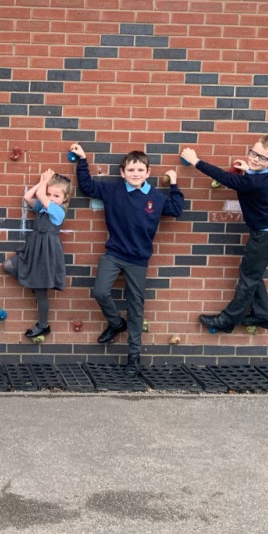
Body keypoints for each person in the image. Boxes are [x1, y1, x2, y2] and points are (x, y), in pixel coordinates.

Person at [70, 144, 183, 372]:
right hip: (114, 254)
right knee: (100, 291)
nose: (136, 174)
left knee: (136, 307)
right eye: (131, 170)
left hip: (138, 260)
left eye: (140, 170)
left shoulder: (155, 197)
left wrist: (174, 183)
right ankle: (115, 323)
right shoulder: (113, 190)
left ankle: (133, 355)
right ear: (122, 173)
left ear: (148, 173)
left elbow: (176, 209)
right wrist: (82, 160)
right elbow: (87, 186)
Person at [180, 136, 268, 334]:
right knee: (252, 272)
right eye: (253, 153)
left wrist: (196, 161)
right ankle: (264, 316)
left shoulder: (253, 183)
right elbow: (256, 174)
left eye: (261, 158)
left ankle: (228, 319)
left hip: (264, 234)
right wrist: (250, 169)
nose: (254, 159)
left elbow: (225, 178)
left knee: (248, 277)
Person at [2, 169, 74, 340]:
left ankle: (43, 325)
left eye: (56, 196)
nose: (50, 198)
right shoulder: (43, 207)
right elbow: (28, 198)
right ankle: (34, 283)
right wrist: (43, 181)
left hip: (46, 252)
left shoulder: (58, 211)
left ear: (65, 199)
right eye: (49, 194)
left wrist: (45, 182)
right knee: (8, 265)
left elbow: (41, 196)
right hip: (34, 249)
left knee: (41, 293)